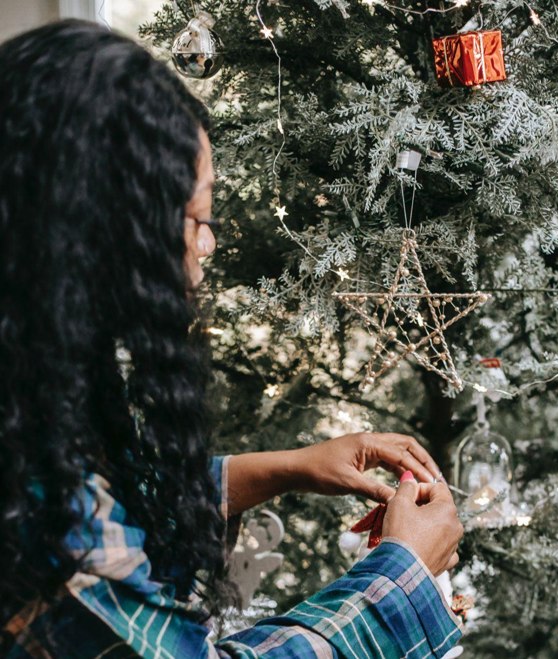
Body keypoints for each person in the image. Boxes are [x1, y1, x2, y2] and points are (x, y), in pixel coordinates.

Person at [0, 20, 464, 659]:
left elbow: (107, 495)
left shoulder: (28, 399)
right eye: (196, 217)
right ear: (83, 232)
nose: (207, 243)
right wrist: (403, 575)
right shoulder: (54, 548)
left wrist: (281, 469)